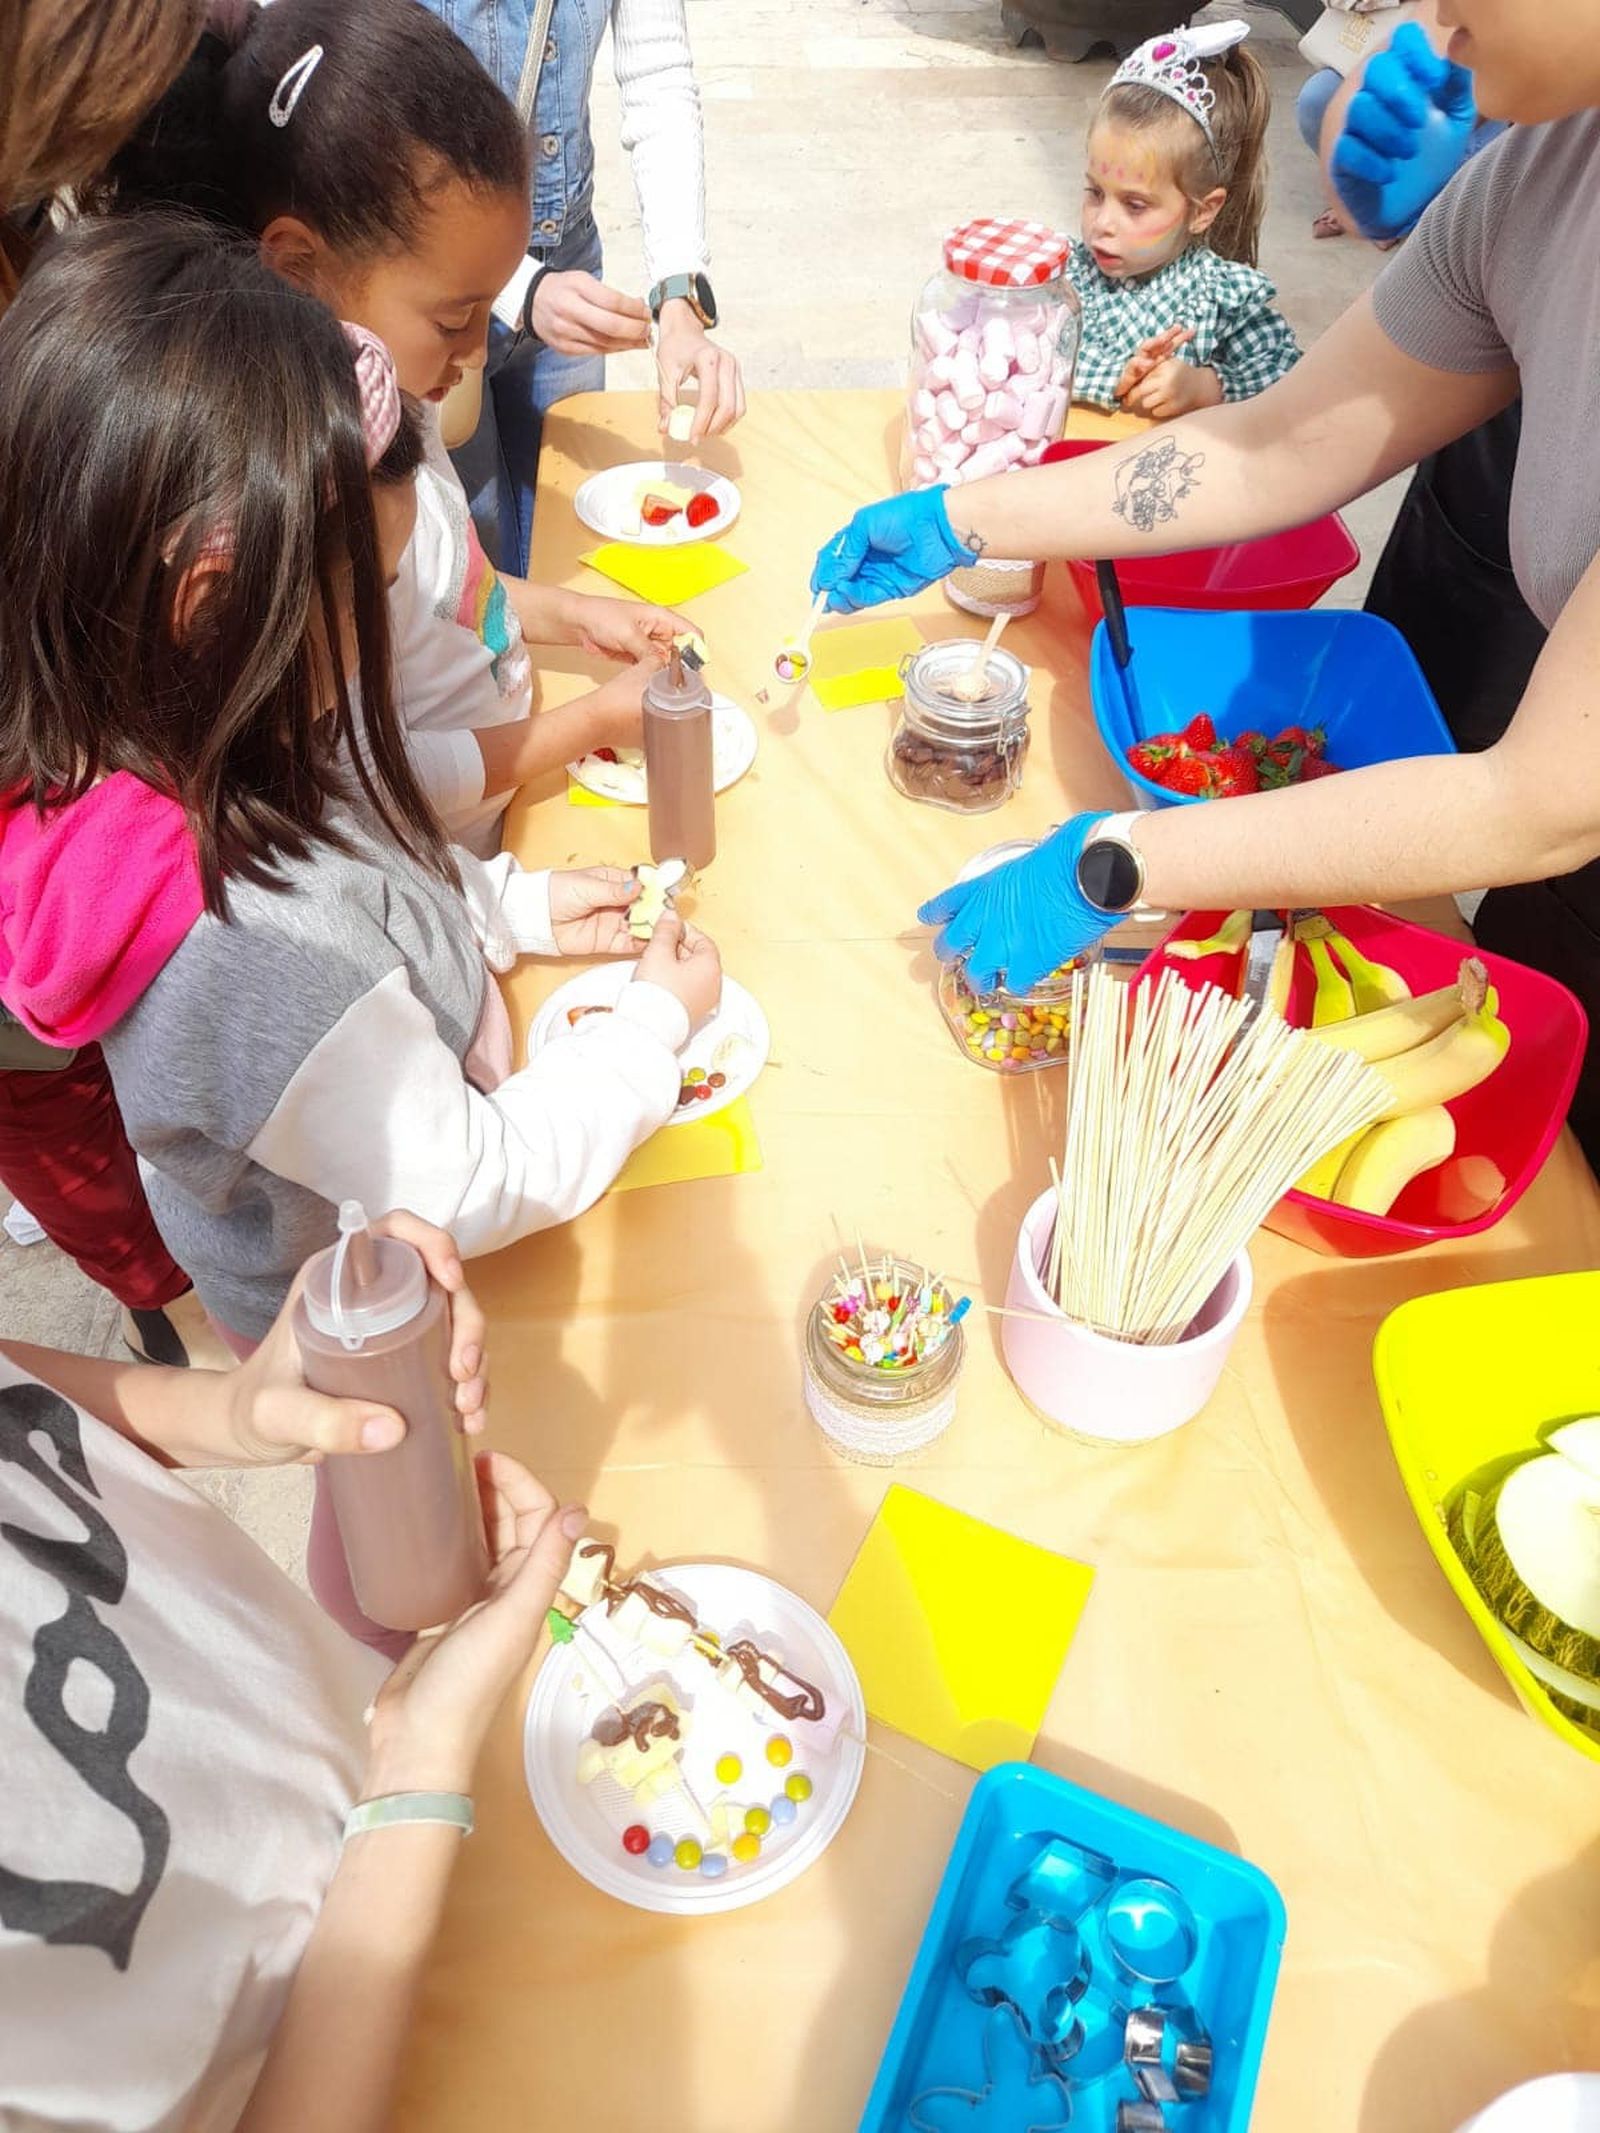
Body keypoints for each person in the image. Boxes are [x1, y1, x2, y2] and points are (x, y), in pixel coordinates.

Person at [810, 4, 1600, 1171]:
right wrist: (967, 513)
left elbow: (1541, 800)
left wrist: (1120, 861)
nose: (1422, 18)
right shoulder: (1544, 169)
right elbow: (1274, 445)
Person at [0, 1206, 583, 2133]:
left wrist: (236, 1412)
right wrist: (414, 1770)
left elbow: (32, 1413)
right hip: (383, 2054)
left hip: (396, 1780)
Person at [101, 0, 696, 857]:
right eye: (457, 316)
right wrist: (590, 720)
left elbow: (454, 590)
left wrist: (578, 615)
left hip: (507, 820)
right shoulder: (309, 500)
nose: (476, 347)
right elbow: (378, 779)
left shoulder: (392, 386)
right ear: (299, 265)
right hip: (451, 874)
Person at [0, 0, 230, 1371]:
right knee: (48, 1077)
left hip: (69, 759)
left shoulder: (36, 228)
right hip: (45, 808)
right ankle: (173, 1310)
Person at [421, 0, 746, 572]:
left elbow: (658, 73)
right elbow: (361, 116)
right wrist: (517, 287)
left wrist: (680, 297)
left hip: (566, 260)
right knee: (475, 570)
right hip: (433, 279)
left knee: (575, 546)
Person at [1071, 20, 1299, 425]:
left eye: (1135, 205)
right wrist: (1114, 375)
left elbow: (1288, 372)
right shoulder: (1067, 278)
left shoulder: (1218, 298)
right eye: (1095, 193)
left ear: (1202, 211)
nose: (1102, 223)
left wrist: (1207, 386)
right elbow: (1019, 352)